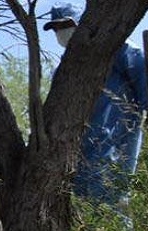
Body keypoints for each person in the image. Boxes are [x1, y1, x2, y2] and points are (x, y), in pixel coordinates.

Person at [44, 3, 148, 208]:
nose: (61, 31)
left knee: (113, 201)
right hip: (78, 152)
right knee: (83, 206)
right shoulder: (62, 71)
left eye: (66, 24)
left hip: (117, 140)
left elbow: (142, 77)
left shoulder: (114, 48)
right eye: (56, 28)